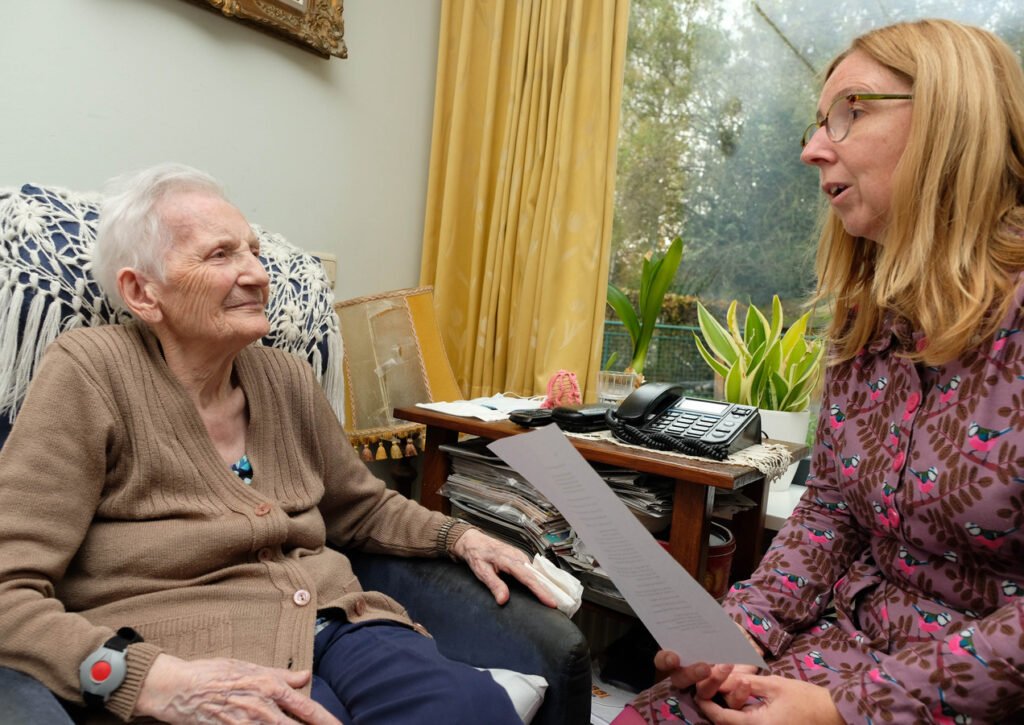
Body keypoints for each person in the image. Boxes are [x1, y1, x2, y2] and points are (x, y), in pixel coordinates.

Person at [0, 163, 560, 724]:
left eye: (253, 251)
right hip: (195, 657)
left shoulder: (285, 376)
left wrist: (459, 536)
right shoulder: (90, 372)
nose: (256, 274)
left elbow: (359, 506)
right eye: (221, 255)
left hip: (343, 624)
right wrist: (144, 678)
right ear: (141, 292)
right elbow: (8, 589)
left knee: (474, 709)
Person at [615, 18, 1024, 724]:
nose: (811, 149)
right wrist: (739, 632)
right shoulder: (865, 320)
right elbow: (831, 509)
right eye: (817, 121)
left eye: (850, 112)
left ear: (953, 119)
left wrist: (846, 708)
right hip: (834, 651)